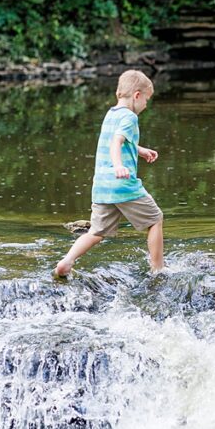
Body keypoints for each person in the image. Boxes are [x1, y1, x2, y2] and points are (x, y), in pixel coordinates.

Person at [55, 70, 164, 276]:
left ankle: (66, 262)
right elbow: (117, 142)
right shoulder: (130, 117)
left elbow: (116, 140)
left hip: (102, 187)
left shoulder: (111, 113)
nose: (146, 105)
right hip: (123, 184)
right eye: (147, 100)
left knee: (96, 232)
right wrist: (119, 166)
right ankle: (159, 269)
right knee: (155, 219)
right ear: (137, 95)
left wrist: (140, 150)